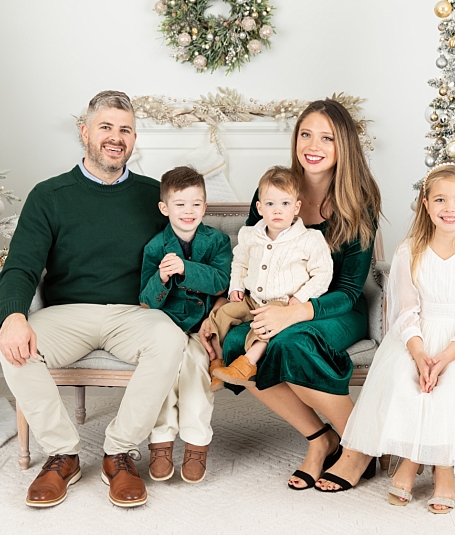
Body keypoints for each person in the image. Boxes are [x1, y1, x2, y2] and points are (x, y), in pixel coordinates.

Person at [0, 90, 188, 508]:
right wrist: (13, 316)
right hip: (67, 314)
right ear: (84, 132)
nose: (115, 137)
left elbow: (191, 251)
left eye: (125, 130)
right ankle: (63, 454)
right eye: (106, 127)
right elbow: (21, 266)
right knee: (12, 347)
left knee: (170, 340)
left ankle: (118, 452)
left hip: (133, 313)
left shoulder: (155, 196)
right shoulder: (49, 195)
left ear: (134, 140)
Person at [198, 99, 383, 491]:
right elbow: (249, 253)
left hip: (334, 308)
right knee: (235, 343)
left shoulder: (360, 200)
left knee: (290, 342)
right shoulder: (273, 191)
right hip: (272, 304)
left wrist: (296, 313)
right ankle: (320, 440)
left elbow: (350, 291)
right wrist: (226, 305)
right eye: (306, 134)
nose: (313, 145)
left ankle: (359, 445)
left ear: (343, 146)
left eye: (327, 138)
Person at [320, 163, 455, 513]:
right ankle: (410, 458)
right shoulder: (410, 250)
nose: (449, 208)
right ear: (425, 204)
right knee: (406, 381)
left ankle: (444, 470)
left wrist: (445, 356)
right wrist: (419, 351)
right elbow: (404, 309)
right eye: (440, 199)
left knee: (452, 388)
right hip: (417, 338)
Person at [139, 166, 233, 484]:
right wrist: (162, 277)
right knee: (164, 370)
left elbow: (221, 282)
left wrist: (186, 268)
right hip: (165, 327)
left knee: (194, 367)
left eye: (196, 203)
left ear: (205, 206)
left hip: (199, 327)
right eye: (180, 204)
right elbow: (146, 301)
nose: (188, 211)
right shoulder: (154, 247)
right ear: (165, 208)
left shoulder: (218, 241)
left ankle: (196, 443)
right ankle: (161, 442)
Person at [207, 166, 335, 388]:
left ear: (296, 207)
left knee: (265, 327)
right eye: (270, 204)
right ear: (259, 207)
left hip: (281, 302)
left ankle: (247, 363)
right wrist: (236, 286)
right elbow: (240, 262)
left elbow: (323, 274)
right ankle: (217, 364)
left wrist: (301, 298)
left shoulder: (309, 239)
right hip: (251, 299)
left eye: (285, 204)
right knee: (222, 315)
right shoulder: (250, 234)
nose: (277, 210)